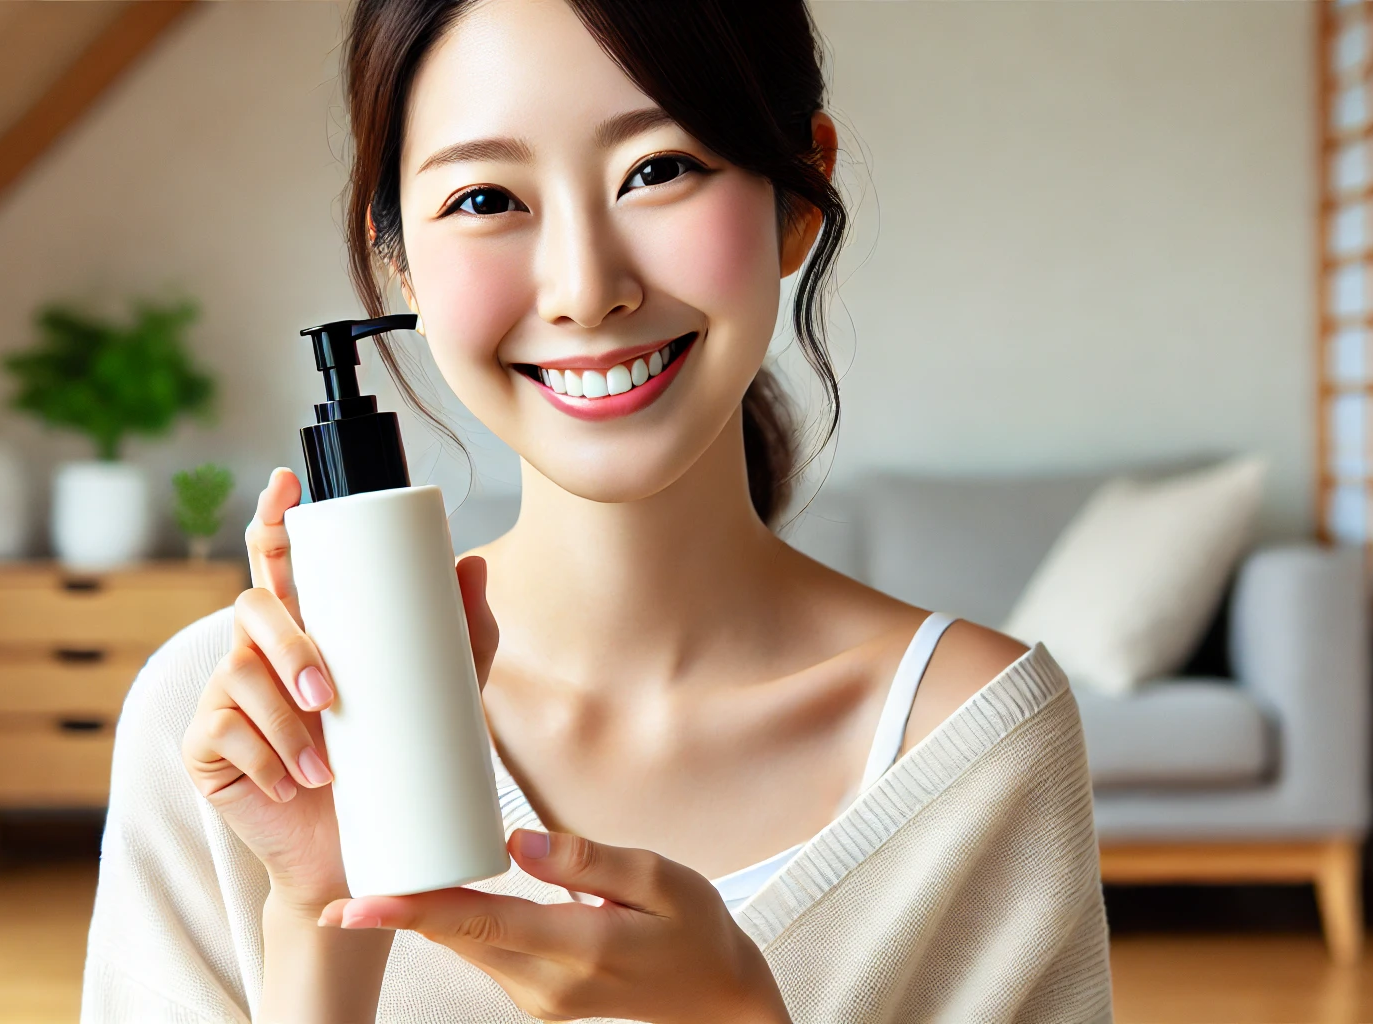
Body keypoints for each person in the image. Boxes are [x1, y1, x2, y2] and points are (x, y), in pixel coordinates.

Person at [82, 0, 1111, 1020]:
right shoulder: (231, 730)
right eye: (486, 199)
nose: (583, 288)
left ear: (800, 193)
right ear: (397, 254)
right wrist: (318, 920)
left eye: (657, 170)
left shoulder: (971, 746)